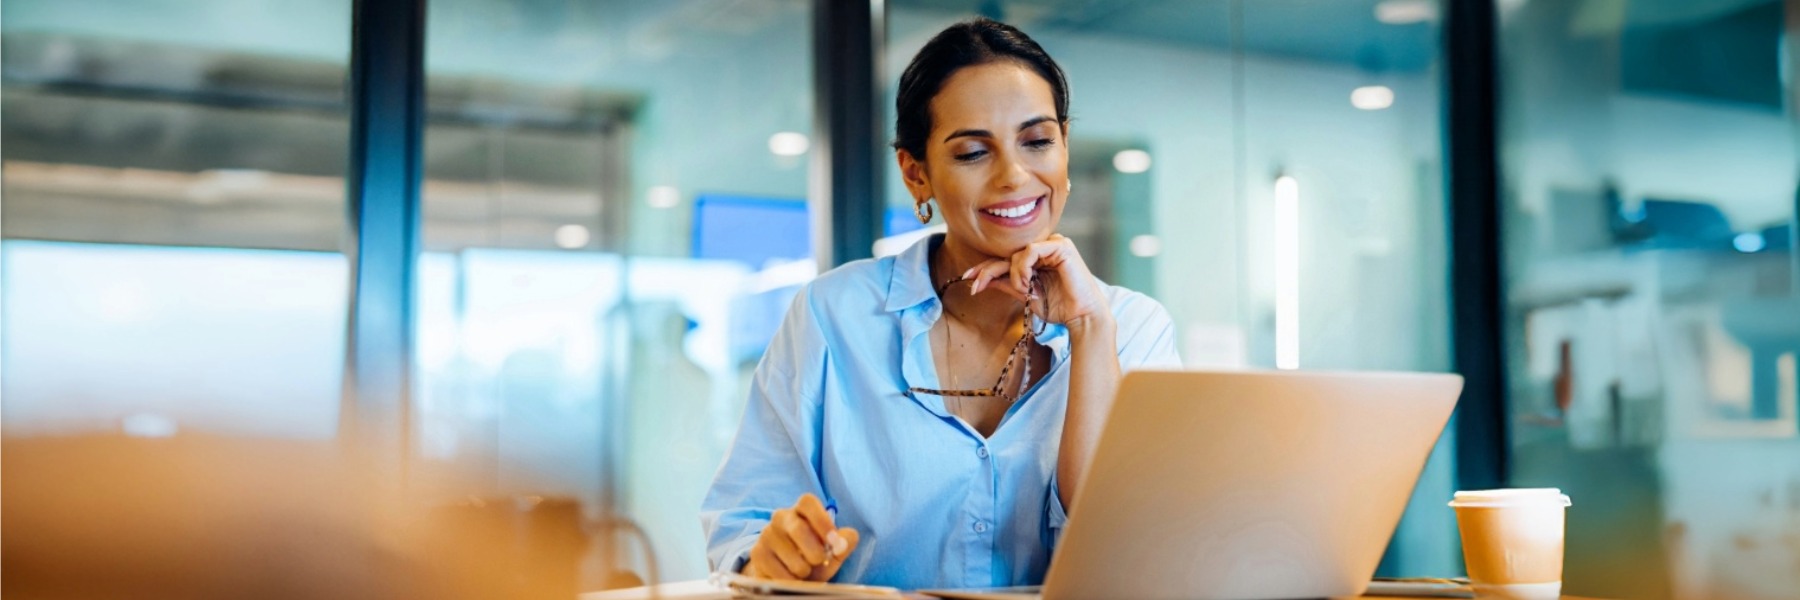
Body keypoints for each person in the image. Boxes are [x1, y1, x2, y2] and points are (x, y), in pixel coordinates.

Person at [700, 17, 1179, 590]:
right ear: (916, 174)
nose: (1014, 176)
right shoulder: (833, 315)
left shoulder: (1131, 326)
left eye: (1037, 141)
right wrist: (772, 556)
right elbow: (744, 524)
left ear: (1065, 149)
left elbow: (1129, 542)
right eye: (974, 152)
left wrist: (1089, 329)